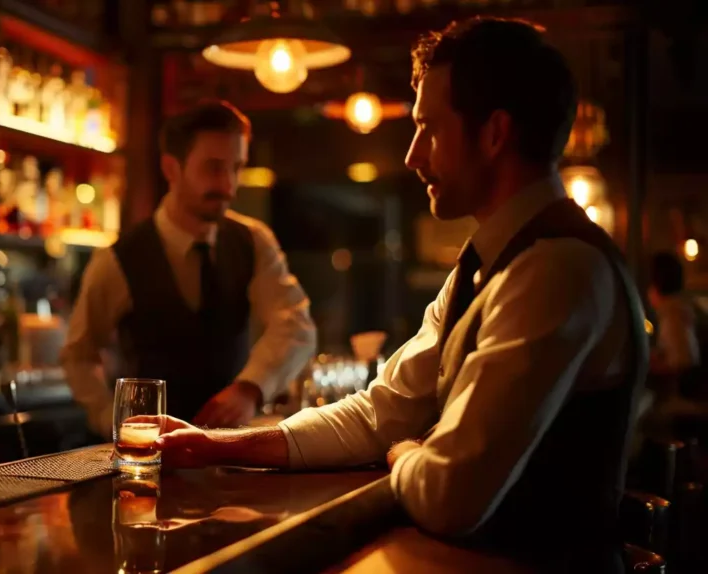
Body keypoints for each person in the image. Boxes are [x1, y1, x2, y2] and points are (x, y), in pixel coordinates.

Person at [138, 17, 648, 571]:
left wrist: (407, 452)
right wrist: (218, 445)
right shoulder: (489, 264)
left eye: (428, 128)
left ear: (494, 134)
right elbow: (380, 413)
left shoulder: (556, 271)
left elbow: (448, 496)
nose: (412, 155)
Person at [62, 100, 316, 437]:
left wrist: (250, 389)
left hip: (233, 447)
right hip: (154, 455)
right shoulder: (118, 260)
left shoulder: (253, 241)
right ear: (171, 169)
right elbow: (79, 355)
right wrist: (113, 422)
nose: (228, 185)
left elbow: (296, 323)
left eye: (236, 168)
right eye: (213, 168)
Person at [647, 252, 701, 383]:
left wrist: (648, 367)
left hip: (683, 394)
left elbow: (680, 365)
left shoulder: (672, 315)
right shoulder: (678, 310)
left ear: (656, 286)